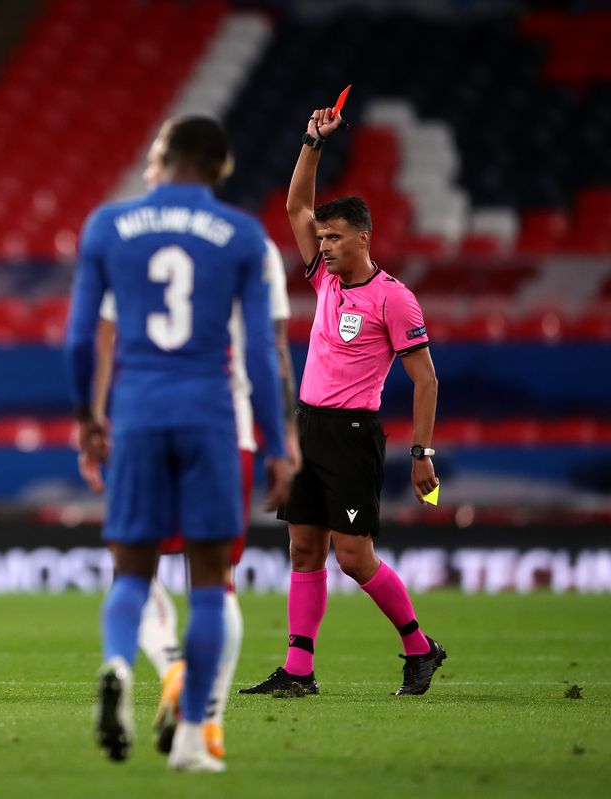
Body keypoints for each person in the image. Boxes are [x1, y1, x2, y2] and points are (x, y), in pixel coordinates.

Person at [65, 115, 291, 772]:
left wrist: (87, 414)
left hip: (136, 412)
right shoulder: (244, 235)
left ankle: (116, 665)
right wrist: (278, 442)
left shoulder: (108, 225)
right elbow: (259, 346)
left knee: (132, 571)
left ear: (161, 159)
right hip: (212, 415)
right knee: (211, 582)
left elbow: (83, 338)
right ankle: (195, 736)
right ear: (221, 167)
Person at [239, 104, 445, 698]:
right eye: (321, 237)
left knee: (354, 557)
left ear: (364, 237)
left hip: (354, 434)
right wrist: (312, 140)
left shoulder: (394, 299)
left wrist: (421, 451)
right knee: (303, 548)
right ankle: (298, 671)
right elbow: (296, 206)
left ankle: (419, 646)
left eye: (334, 237)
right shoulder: (325, 279)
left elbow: (426, 379)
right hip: (309, 427)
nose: (322, 244)